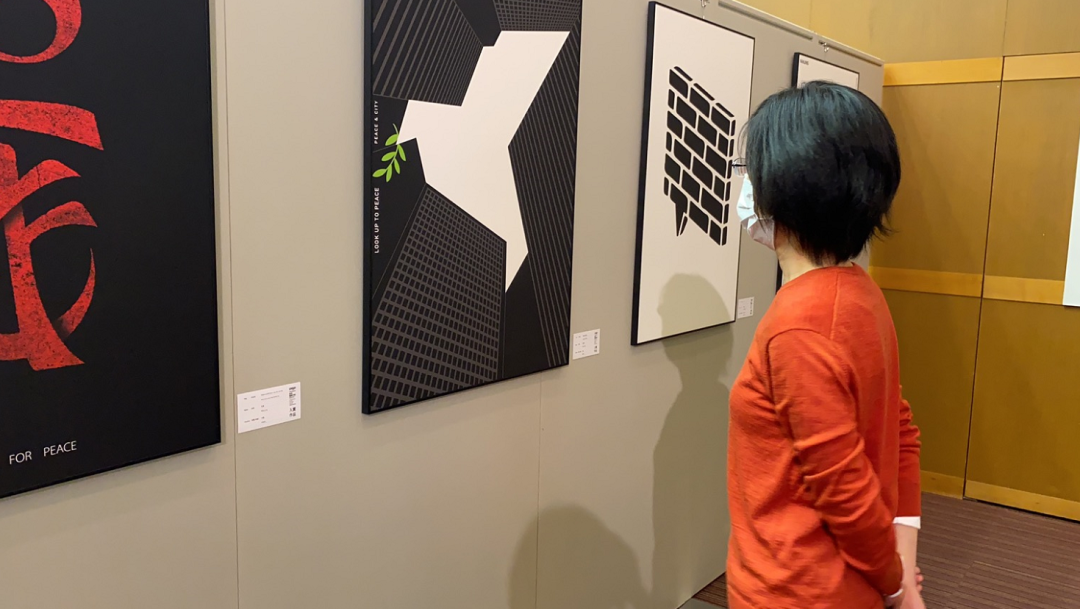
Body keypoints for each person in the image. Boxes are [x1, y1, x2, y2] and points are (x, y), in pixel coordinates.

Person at [727, 81, 924, 609]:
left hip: (794, 591)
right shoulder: (859, 294)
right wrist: (901, 563)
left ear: (787, 184)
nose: (746, 184)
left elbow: (845, 492)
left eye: (751, 169)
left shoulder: (800, 324)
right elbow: (900, 430)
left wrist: (896, 586)